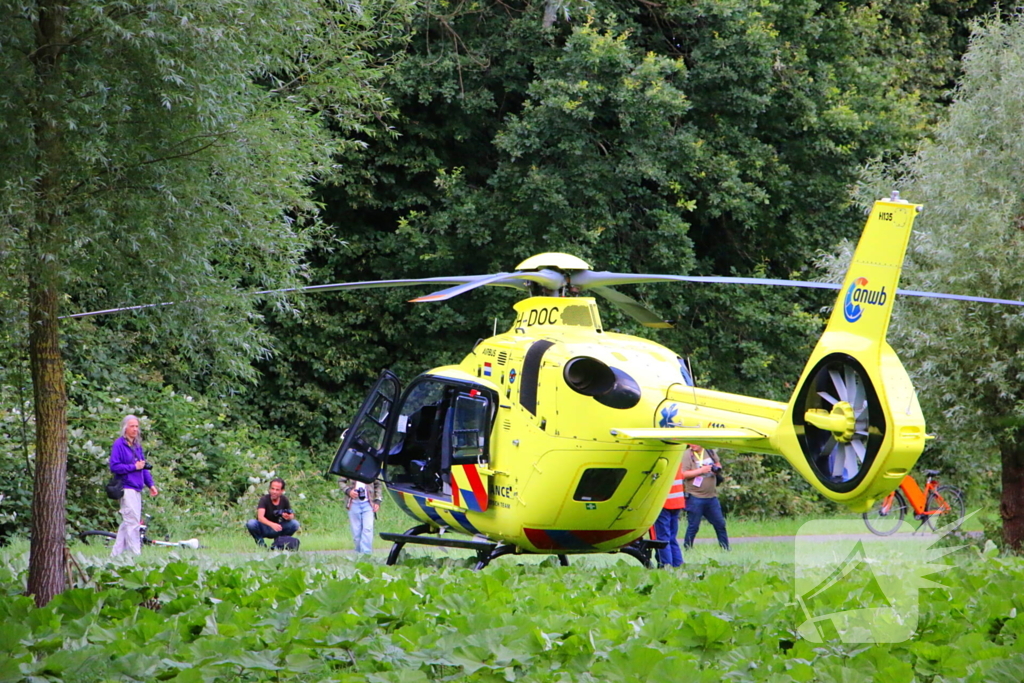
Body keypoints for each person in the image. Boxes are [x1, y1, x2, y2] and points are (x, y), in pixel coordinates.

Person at [109, 415, 158, 557]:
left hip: (137, 487)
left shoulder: (137, 446)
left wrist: (150, 484)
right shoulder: (119, 444)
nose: (135, 429)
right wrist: (132, 467)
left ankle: (115, 555)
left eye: (137, 426)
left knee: (128, 521)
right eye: (132, 426)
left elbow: (142, 467)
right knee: (132, 522)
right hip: (126, 486)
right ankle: (136, 554)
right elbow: (115, 466)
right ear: (125, 428)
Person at [681, 443, 730, 550]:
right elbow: (683, 474)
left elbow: (718, 464)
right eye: (690, 443)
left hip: (711, 496)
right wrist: (700, 471)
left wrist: (716, 468)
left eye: (694, 443)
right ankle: (688, 548)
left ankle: (725, 548)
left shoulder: (709, 451)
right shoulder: (687, 454)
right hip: (695, 496)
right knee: (693, 526)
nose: (692, 445)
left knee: (720, 524)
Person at [246, 478, 300, 547]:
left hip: (279, 527)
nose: (274, 492)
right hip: (265, 526)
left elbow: (291, 514)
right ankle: (261, 544)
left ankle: (279, 543)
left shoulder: (284, 499)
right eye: (272, 489)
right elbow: (260, 517)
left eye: (277, 490)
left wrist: (288, 517)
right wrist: (272, 524)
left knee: (295, 524)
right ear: (269, 489)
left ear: (282, 491)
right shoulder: (264, 499)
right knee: (251, 523)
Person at [651, 461, 686, 567]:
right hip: (677, 501)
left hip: (664, 503)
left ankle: (666, 566)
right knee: (671, 537)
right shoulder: (676, 458)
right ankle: (678, 565)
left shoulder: (661, 461)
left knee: (662, 538)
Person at [339, 477, 383, 555]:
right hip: (353, 503)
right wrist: (348, 491)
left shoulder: (371, 467)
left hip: (369, 503)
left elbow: (378, 484)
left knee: (368, 528)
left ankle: (366, 554)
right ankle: (358, 553)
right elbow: (341, 481)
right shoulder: (350, 466)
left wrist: (377, 500)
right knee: (356, 531)